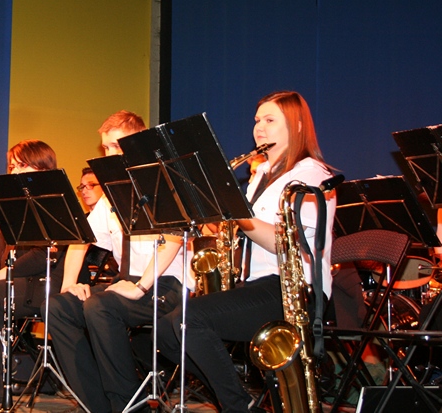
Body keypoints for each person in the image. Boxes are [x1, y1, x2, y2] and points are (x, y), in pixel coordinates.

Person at [157, 90, 336, 413]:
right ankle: (240, 400)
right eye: (257, 120)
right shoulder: (261, 174)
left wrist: (236, 211)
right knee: (166, 332)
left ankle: (237, 406)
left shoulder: (313, 176)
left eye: (270, 120)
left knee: (189, 320)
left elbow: (284, 244)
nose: (259, 128)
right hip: (257, 285)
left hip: (294, 291)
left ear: (296, 126)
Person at [47, 110, 190, 413]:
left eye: (117, 146)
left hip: (165, 284)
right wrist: (69, 284)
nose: (110, 154)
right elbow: (80, 240)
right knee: (58, 307)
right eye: (106, 147)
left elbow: (174, 239)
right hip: (127, 284)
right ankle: (96, 404)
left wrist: (140, 287)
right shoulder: (111, 194)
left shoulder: (161, 181)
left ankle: (127, 406)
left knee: (101, 307)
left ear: (138, 142)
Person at [0, 140, 80, 409]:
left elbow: (43, 255)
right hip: (7, 278)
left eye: (21, 165)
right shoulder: (10, 203)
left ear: (42, 168)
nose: (14, 171)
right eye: (12, 166)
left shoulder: (53, 202)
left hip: (41, 282)